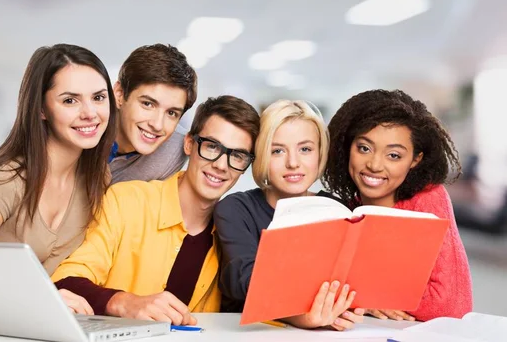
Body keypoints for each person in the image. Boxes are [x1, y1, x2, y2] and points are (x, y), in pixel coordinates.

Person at [0, 43, 198, 302]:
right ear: (119, 94)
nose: (157, 123)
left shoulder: (163, 153)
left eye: (172, 113)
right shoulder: (5, 176)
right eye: (148, 104)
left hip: (49, 252)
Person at [0, 44, 117, 314]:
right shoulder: (5, 179)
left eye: (99, 97)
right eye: (70, 100)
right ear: (41, 109)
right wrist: (42, 300)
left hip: (36, 326)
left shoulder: (98, 178)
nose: (90, 113)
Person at [51, 96, 261, 325]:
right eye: (212, 147)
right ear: (189, 144)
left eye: (237, 156)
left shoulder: (231, 237)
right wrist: (125, 302)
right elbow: (65, 282)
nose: (221, 165)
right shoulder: (126, 201)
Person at [322, 89, 473, 322]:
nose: (374, 164)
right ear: (347, 146)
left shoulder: (428, 198)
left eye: (393, 155)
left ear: (415, 159)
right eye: (364, 148)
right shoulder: (342, 210)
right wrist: (367, 302)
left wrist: (360, 296)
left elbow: (450, 304)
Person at [214, 99, 364, 331]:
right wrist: (300, 316)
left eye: (305, 149)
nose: (293, 163)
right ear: (262, 154)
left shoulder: (336, 208)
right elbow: (244, 280)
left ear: (319, 153)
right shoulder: (236, 209)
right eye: (277, 151)